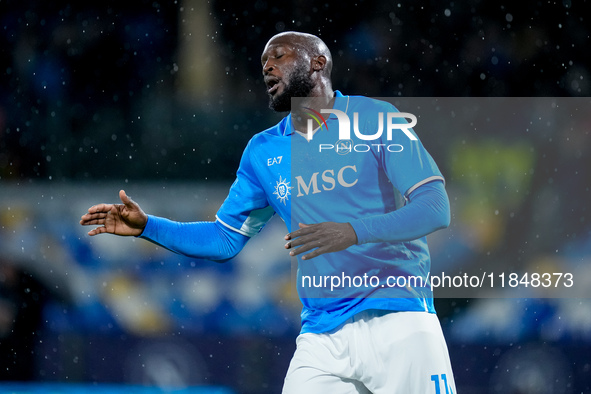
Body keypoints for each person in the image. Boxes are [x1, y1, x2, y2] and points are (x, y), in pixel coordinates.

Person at [81, 31, 456, 394]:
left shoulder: (374, 117)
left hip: (398, 318)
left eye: (279, 56)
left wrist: (351, 231)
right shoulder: (263, 151)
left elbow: (435, 207)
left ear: (318, 63)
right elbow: (224, 239)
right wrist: (148, 226)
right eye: (263, 62)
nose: (267, 67)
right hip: (321, 334)